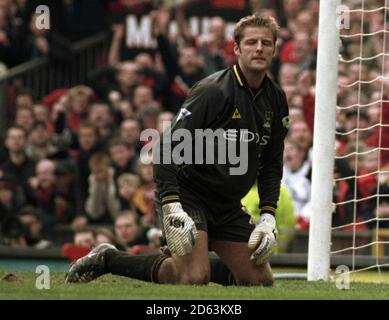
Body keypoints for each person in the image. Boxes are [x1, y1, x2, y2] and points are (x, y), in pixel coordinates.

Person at [66, 14, 289, 287]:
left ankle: (213, 265)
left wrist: (267, 214)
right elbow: (166, 147)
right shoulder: (213, 91)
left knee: (260, 281)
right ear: (236, 49)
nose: (259, 48)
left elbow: (271, 163)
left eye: (266, 43)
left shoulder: (276, 99)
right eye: (251, 42)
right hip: (188, 194)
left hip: (227, 204)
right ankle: (108, 258)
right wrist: (172, 203)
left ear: (275, 49)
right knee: (192, 278)